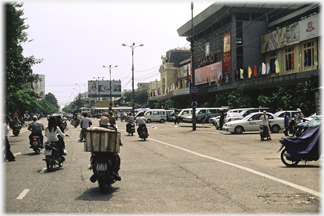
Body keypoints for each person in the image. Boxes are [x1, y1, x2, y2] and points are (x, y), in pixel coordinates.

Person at [89, 113, 122, 182]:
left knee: (93, 158)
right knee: (117, 159)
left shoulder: (97, 129)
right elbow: (117, 138)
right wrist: (120, 143)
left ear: (101, 123)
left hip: (98, 150)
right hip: (109, 150)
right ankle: (116, 172)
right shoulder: (112, 129)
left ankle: (95, 173)